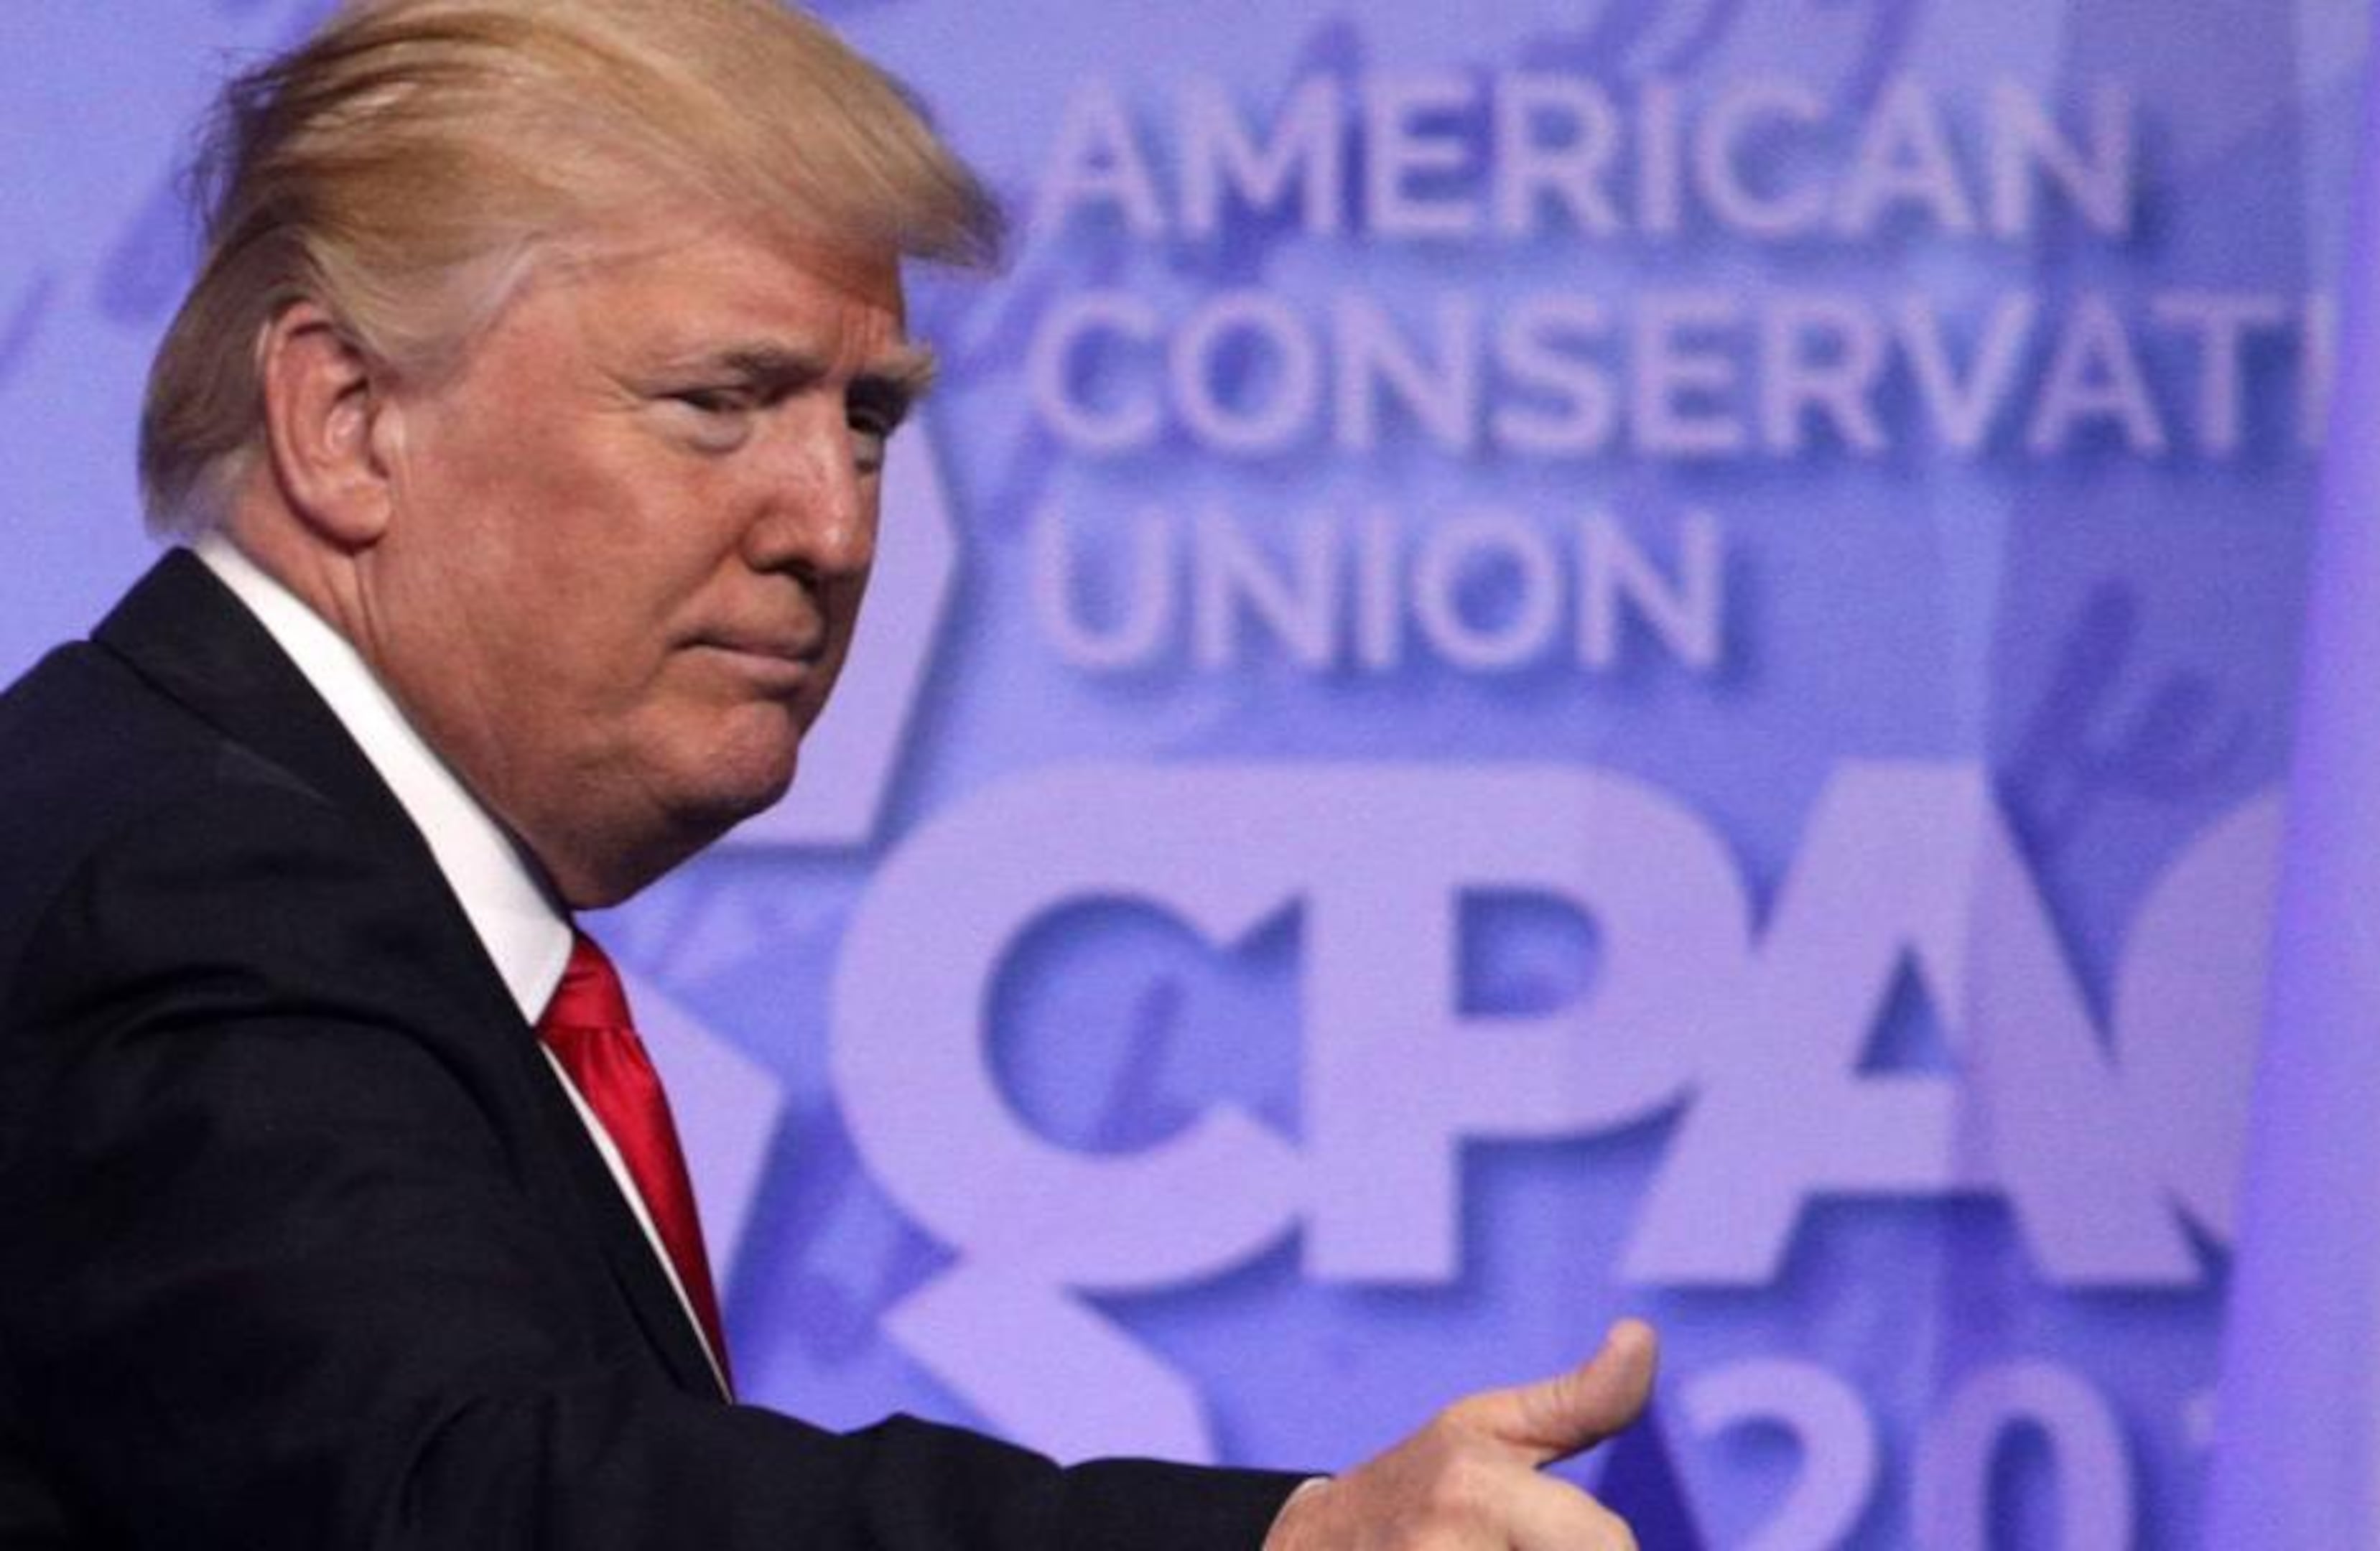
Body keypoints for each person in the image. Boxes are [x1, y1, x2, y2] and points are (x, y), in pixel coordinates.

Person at [0, 1, 1658, 1546]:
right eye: (721, 401)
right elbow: (484, 1498)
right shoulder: (186, 883)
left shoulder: (243, 841)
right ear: (349, 419)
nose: (836, 527)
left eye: (867, 420)